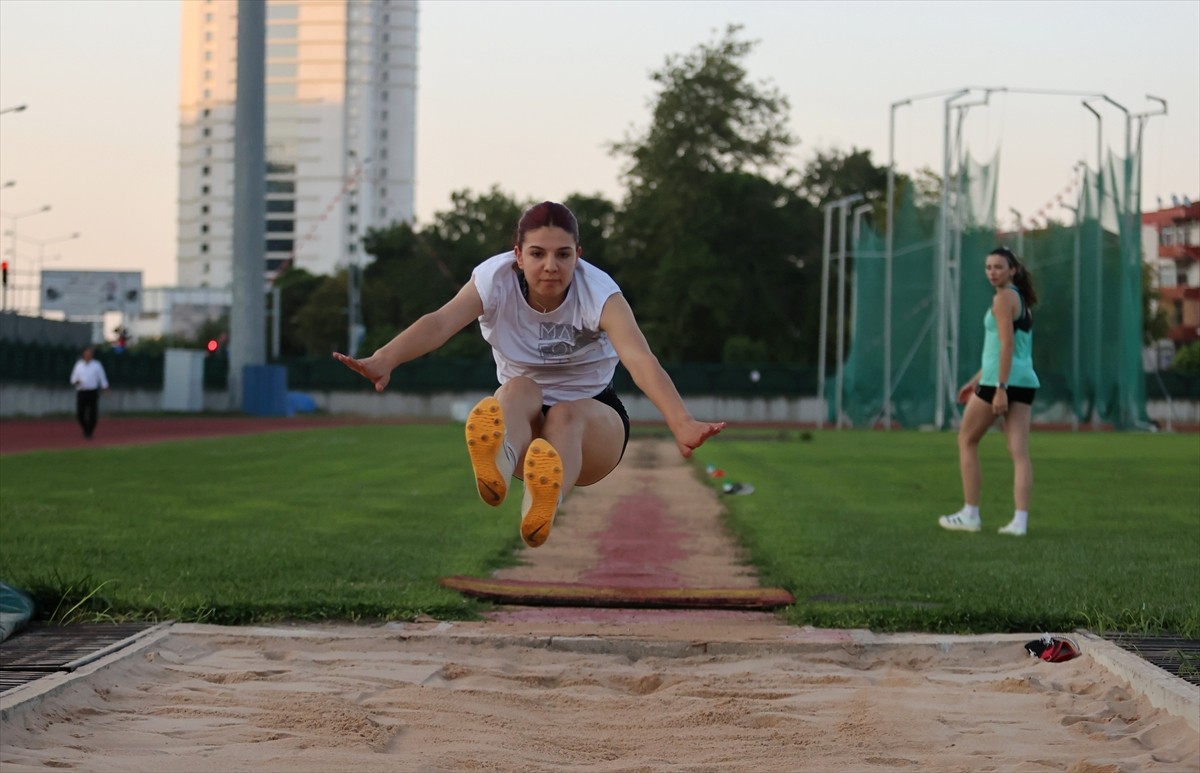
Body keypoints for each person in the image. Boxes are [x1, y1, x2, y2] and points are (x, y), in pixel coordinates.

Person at [334, 201, 726, 548]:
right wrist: (384, 358)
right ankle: (498, 465)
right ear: (518, 255)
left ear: (578, 256)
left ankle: (542, 500)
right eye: (537, 254)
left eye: (563, 255)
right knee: (517, 388)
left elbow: (640, 359)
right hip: (524, 426)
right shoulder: (494, 280)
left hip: (593, 427)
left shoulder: (600, 293)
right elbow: (440, 323)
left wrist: (681, 421)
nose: (550, 266)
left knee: (566, 414)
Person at [939, 246, 1040, 537]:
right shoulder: (1020, 299)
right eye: (988, 267)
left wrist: (999, 389)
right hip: (1023, 381)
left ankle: (970, 514)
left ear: (1013, 270)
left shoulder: (1003, 299)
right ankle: (1019, 522)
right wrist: (976, 380)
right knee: (1019, 452)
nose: (992, 272)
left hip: (1003, 382)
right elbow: (1005, 349)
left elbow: (1007, 347)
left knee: (966, 440)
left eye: (998, 267)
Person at [69, 345, 109, 440]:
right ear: (83, 354)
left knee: (92, 413)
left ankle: (89, 432)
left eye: (90, 353)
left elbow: (102, 377)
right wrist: (76, 382)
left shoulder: (97, 365)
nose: (88, 355)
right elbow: (73, 378)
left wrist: (105, 387)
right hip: (82, 391)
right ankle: (85, 428)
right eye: (86, 353)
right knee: (80, 413)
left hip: (92, 391)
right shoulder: (79, 365)